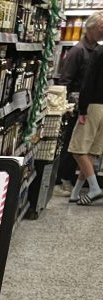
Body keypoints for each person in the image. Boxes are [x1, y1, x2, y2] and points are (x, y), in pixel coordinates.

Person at [56, 12, 103, 195]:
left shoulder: (97, 50)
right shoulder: (78, 50)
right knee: (72, 145)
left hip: (89, 104)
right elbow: (65, 82)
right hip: (78, 106)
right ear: (91, 27)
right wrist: (69, 104)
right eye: (101, 25)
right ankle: (64, 180)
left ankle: (76, 188)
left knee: (85, 147)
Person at [69, 44, 103, 204]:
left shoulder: (99, 51)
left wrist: (82, 109)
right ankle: (75, 193)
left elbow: (88, 81)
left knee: (78, 150)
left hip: (94, 105)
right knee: (89, 153)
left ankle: (95, 188)